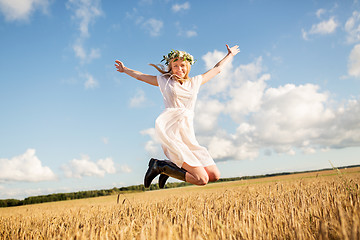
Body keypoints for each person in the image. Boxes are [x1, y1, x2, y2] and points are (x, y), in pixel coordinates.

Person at [115, 44, 240, 188]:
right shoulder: (165, 81)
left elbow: (217, 69)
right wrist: (125, 70)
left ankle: (168, 169)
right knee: (201, 179)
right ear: (171, 67)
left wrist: (230, 55)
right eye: (175, 66)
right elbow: (141, 77)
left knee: (214, 175)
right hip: (172, 129)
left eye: (182, 65)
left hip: (187, 132)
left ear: (188, 66)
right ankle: (161, 166)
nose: (179, 69)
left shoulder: (195, 82)